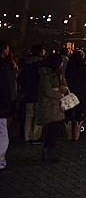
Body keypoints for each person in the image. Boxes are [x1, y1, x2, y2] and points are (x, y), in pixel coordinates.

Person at [36, 53, 70, 163]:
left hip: (57, 106)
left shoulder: (58, 73)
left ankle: (49, 152)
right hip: (50, 106)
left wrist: (59, 89)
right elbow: (47, 90)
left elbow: (64, 85)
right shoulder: (46, 74)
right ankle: (48, 153)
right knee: (52, 130)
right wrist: (59, 93)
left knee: (54, 130)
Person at [18, 44, 45, 145]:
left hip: (28, 92)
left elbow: (21, 78)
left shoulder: (26, 63)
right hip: (38, 92)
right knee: (38, 115)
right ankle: (35, 137)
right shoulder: (41, 64)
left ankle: (27, 137)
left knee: (29, 115)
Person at [64, 49, 86, 141]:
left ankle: (69, 135)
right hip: (80, 91)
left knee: (68, 113)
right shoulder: (83, 65)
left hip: (70, 90)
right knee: (79, 113)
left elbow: (67, 76)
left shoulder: (70, 65)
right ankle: (77, 135)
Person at [0, 41, 16, 171]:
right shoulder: (4, 66)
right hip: (1, 106)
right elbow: (6, 88)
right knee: (2, 134)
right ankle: (0, 160)